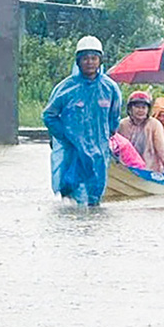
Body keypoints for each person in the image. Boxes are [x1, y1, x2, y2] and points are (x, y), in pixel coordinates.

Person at [42, 35, 122, 206]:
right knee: (70, 195)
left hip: (99, 152)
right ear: (78, 61)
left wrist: (108, 134)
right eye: (85, 58)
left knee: (95, 197)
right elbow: (49, 115)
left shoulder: (110, 88)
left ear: (100, 61)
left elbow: (114, 116)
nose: (90, 62)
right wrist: (65, 137)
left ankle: (92, 228)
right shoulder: (66, 88)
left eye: (94, 58)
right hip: (73, 151)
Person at [118, 91, 164, 177]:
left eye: (143, 107)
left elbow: (162, 149)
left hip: (150, 172)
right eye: (137, 107)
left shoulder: (155, 125)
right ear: (130, 108)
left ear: (148, 110)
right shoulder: (122, 124)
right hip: (127, 171)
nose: (140, 110)